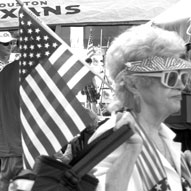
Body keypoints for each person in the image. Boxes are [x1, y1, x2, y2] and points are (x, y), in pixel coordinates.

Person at [88, 24, 191, 191]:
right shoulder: (115, 136)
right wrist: (130, 152)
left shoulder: (165, 138)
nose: (181, 85)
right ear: (133, 83)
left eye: (183, 76)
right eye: (170, 77)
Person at [0, 31, 23, 191]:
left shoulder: (6, 71)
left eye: (11, 43)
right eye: (5, 43)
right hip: (25, 150)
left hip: (8, 148)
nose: (9, 46)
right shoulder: (38, 74)